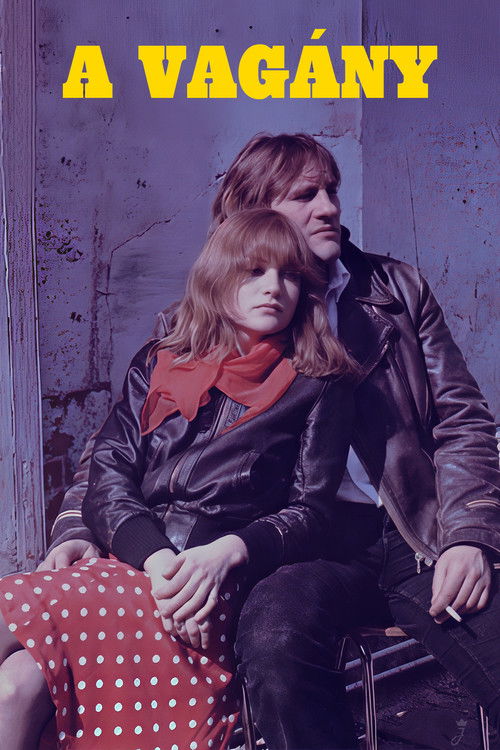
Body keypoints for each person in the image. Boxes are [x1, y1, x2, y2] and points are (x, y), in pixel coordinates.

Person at [4, 132, 500, 749]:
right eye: (305, 195)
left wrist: (469, 535)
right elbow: (115, 451)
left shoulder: (395, 291)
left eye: (331, 191)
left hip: (411, 529)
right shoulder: (194, 324)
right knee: (275, 637)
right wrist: (75, 529)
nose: (329, 208)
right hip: (297, 542)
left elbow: (462, 420)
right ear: (251, 213)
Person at [0, 207, 358, 749]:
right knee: (15, 687)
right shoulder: (159, 362)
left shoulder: (319, 383)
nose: (273, 287)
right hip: (138, 564)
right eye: (254, 271)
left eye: (289, 275)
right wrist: (155, 558)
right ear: (218, 277)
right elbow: (109, 475)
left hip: (211, 586)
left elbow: (312, 512)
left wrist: (229, 552)